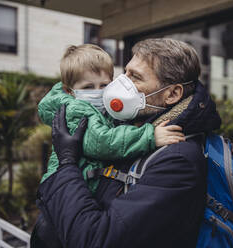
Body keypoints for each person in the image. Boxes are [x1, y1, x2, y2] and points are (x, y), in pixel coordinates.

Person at [35, 38, 221, 248]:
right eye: (125, 72)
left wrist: (66, 165)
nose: (119, 83)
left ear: (172, 94)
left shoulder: (178, 160)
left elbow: (95, 240)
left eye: (135, 77)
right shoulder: (126, 124)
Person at [37, 43, 185, 193]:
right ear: (69, 91)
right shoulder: (75, 109)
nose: (98, 92)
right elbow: (101, 142)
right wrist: (149, 136)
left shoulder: (101, 110)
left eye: (104, 85)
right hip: (63, 189)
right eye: (88, 87)